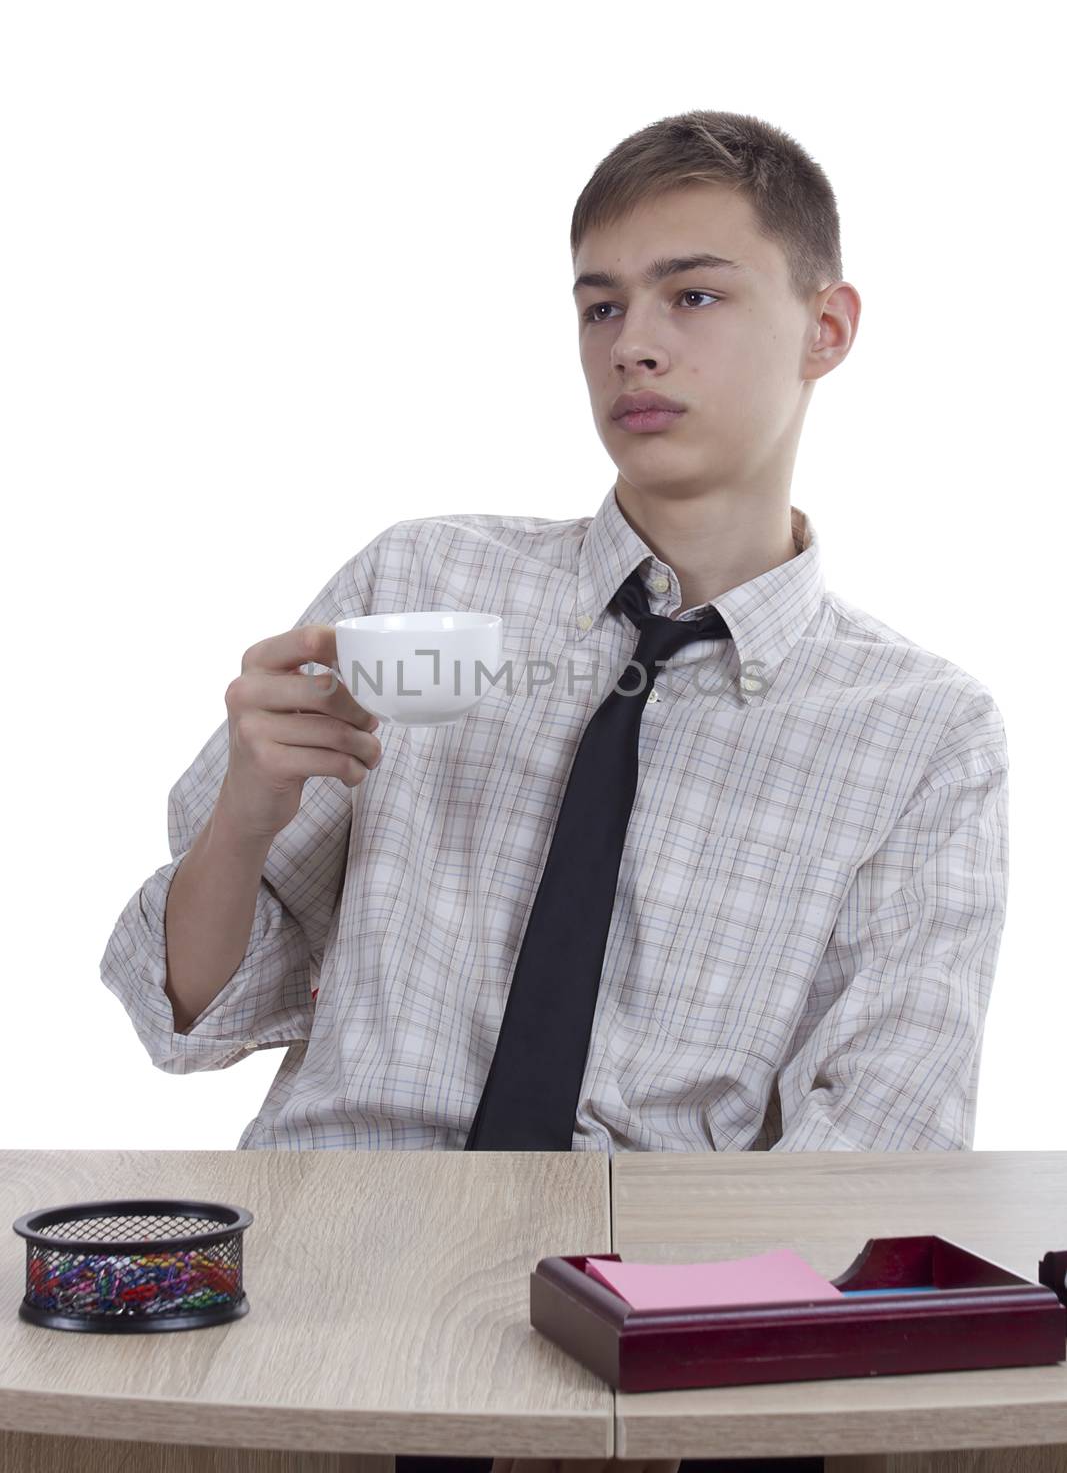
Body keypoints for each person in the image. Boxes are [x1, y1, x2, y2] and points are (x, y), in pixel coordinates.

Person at [100, 111, 1009, 1473]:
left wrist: (670, 1358)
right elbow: (190, 1016)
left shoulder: (925, 732)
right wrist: (244, 807)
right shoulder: (419, 585)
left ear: (826, 328)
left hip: (666, 1338)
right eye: (601, 304)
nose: (633, 342)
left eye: (693, 293)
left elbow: (882, 1144)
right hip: (331, 1279)